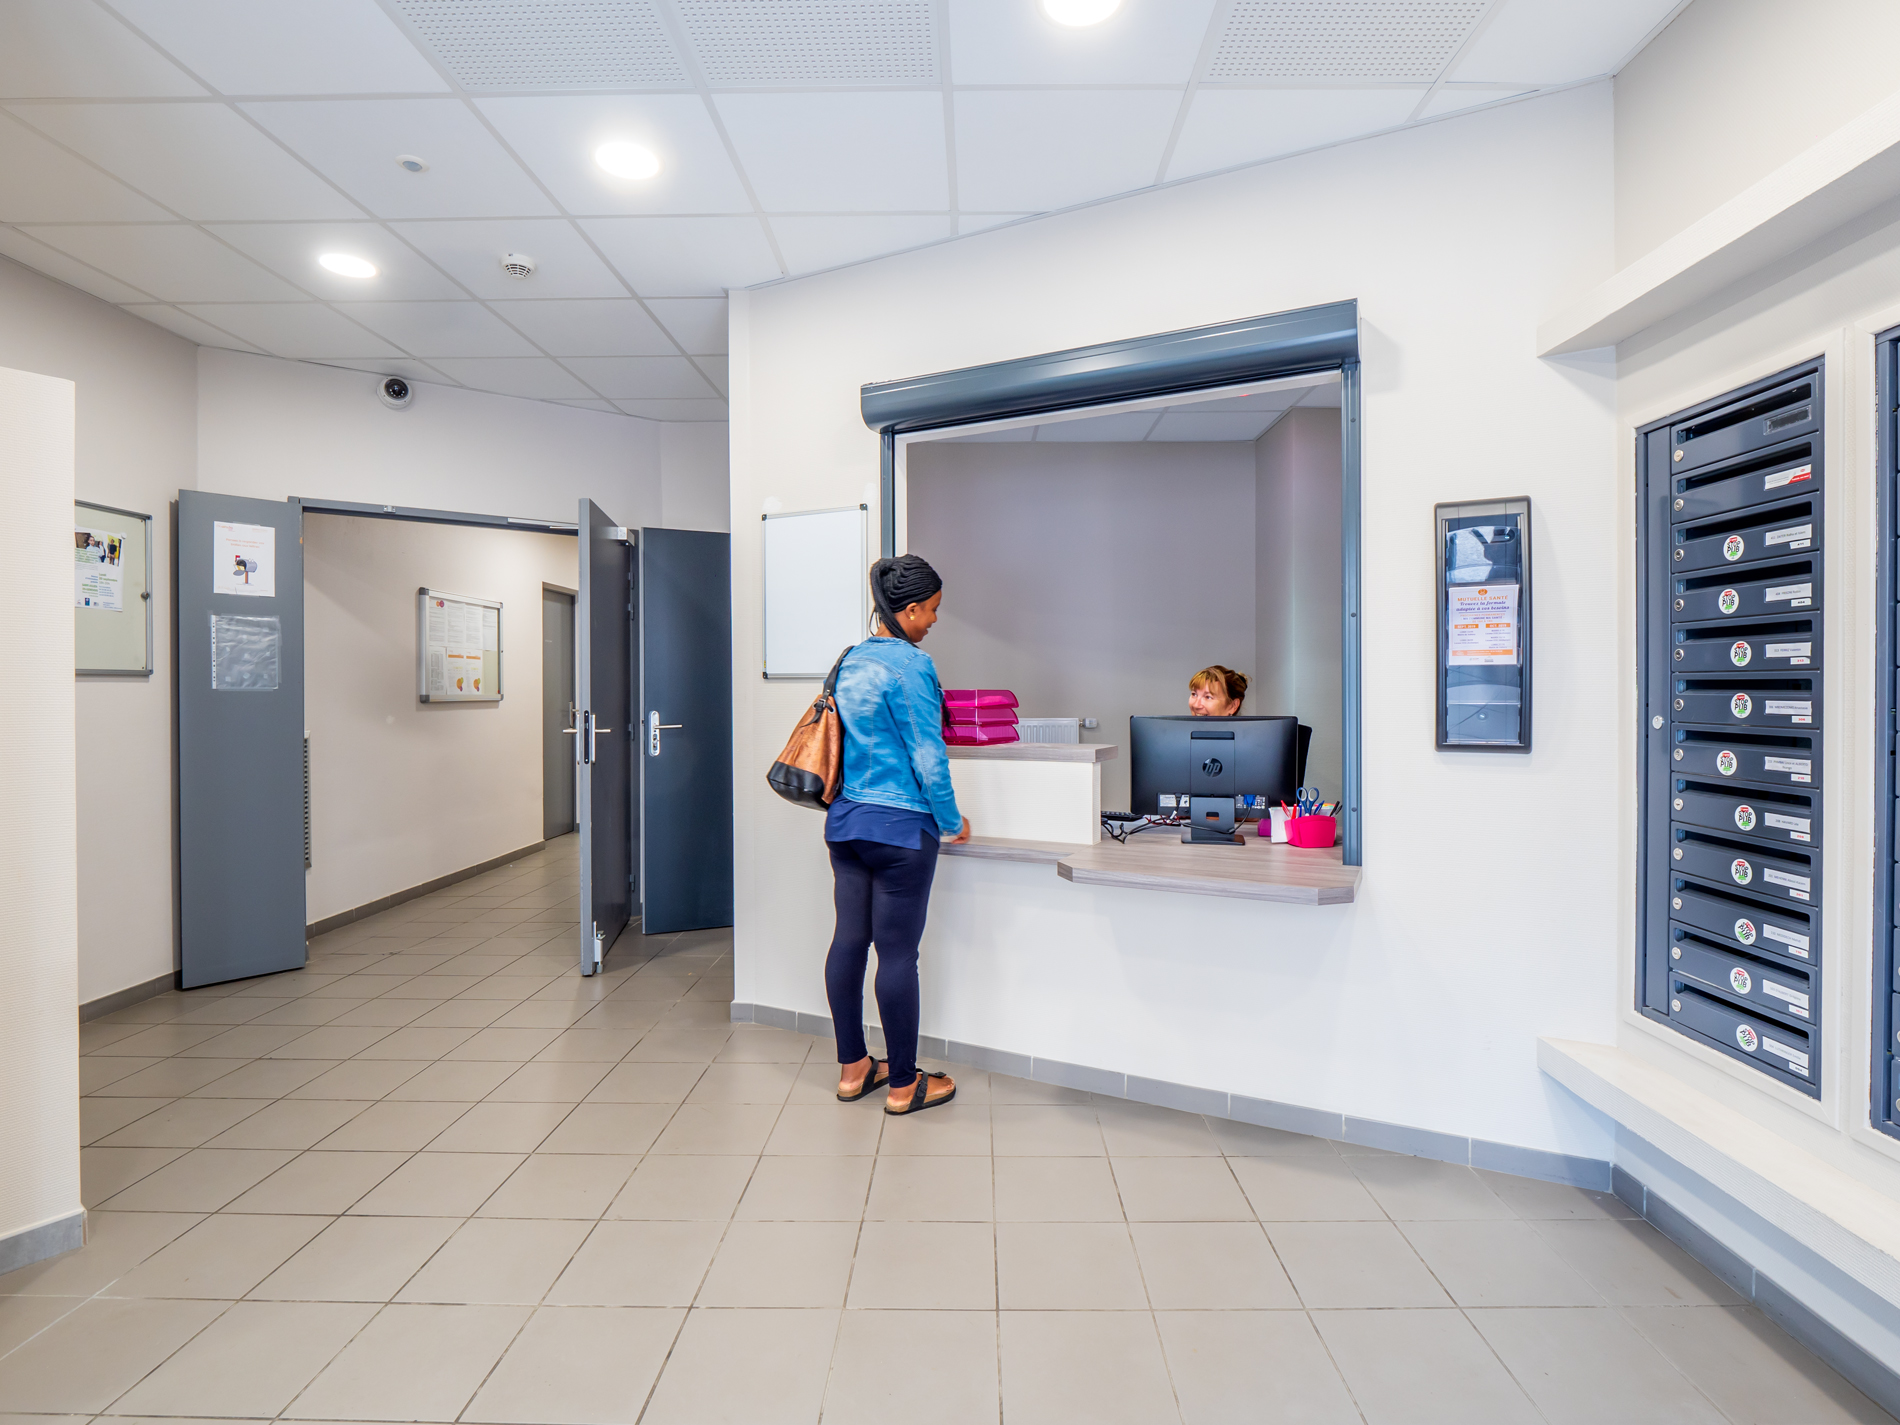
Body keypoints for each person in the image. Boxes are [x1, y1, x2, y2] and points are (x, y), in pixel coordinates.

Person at [823, 554, 969, 1116]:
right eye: (930, 610)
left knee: (848, 942)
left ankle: (853, 1069)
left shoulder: (849, 660)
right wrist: (952, 822)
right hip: (902, 831)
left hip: (846, 824)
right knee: (899, 954)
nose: (933, 620)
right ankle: (906, 1085)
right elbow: (929, 757)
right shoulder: (913, 666)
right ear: (908, 610)